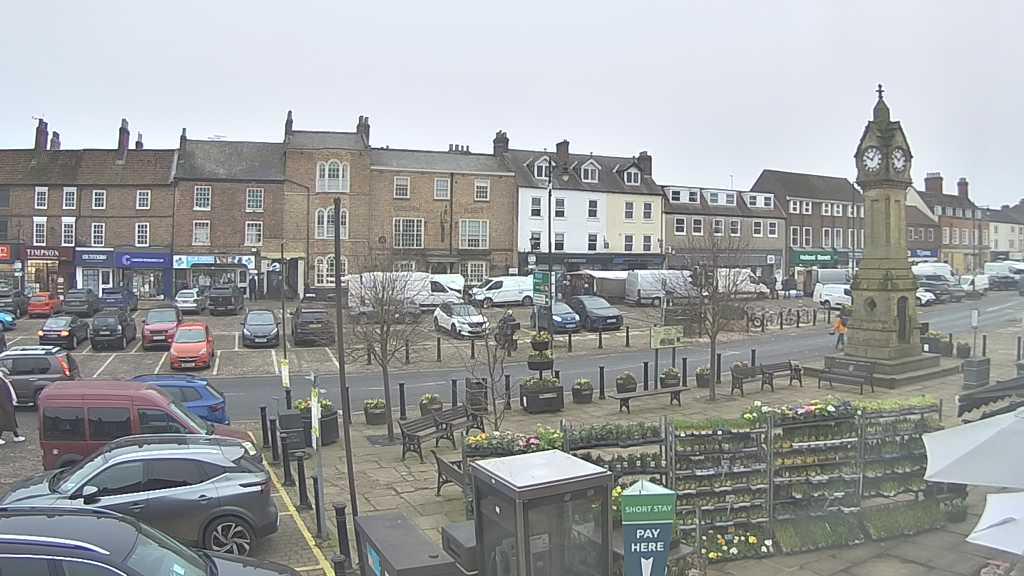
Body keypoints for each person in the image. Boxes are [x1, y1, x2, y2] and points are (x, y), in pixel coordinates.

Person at [0, 368, 24, 445]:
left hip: (7, 404)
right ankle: (15, 436)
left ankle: (16, 436)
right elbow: (2, 395)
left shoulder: (4, 380)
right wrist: (6, 405)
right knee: (4, 421)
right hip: (4, 405)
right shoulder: (1, 381)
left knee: (10, 420)